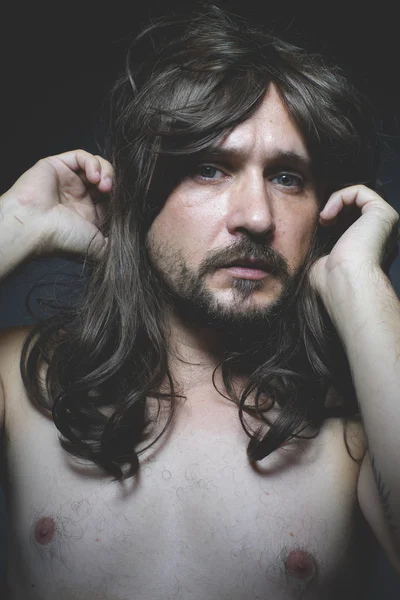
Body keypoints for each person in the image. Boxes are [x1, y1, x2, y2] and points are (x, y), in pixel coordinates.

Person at [1, 2, 400, 598]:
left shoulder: (361, 416)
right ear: (141, 197)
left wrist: (363, 288)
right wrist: (9, 225)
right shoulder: (24, 373)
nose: (257, 218)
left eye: (288, 178)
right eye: (211, 169)